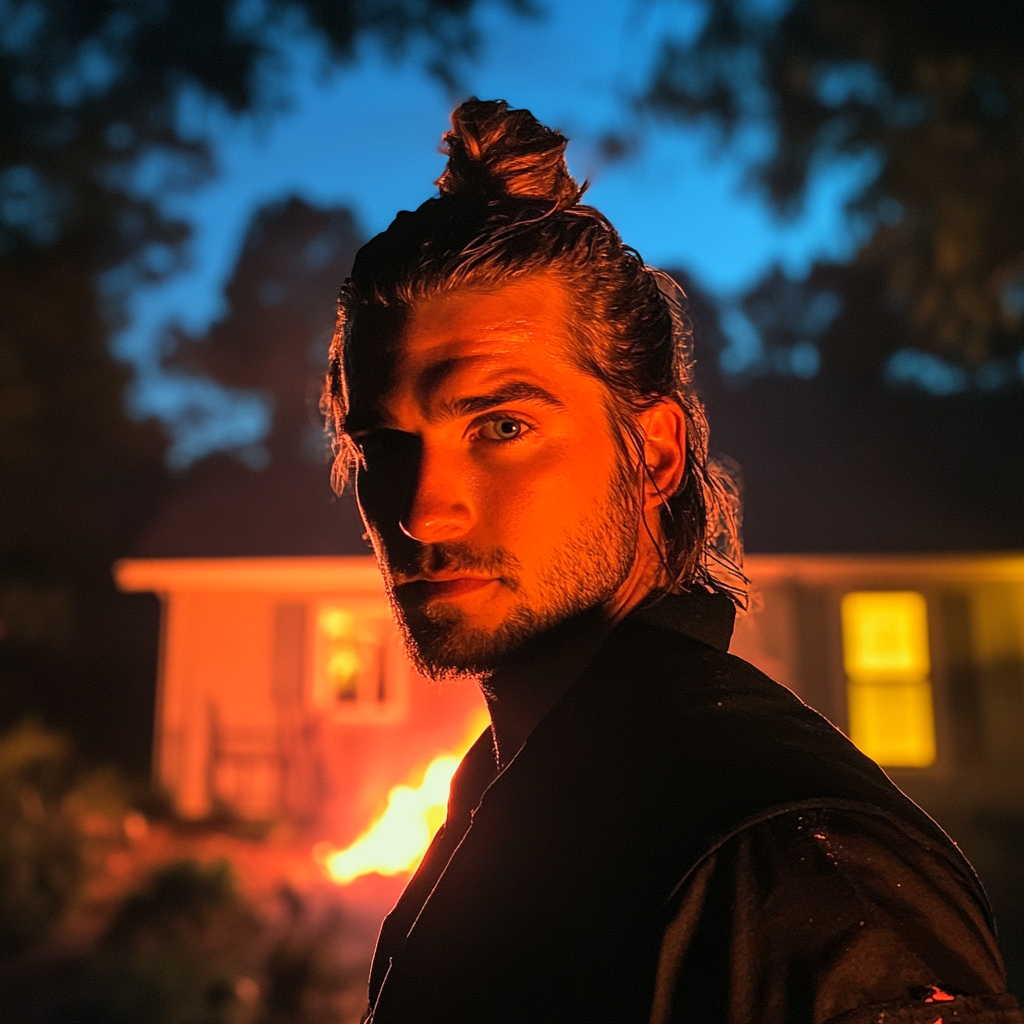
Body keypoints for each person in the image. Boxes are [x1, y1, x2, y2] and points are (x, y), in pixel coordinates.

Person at [323, 99, 1021, 1023]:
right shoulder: (515, 788)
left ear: (654, 452)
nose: (419, 510)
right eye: (383, 446)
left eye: (501, 426)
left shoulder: (777, 855)